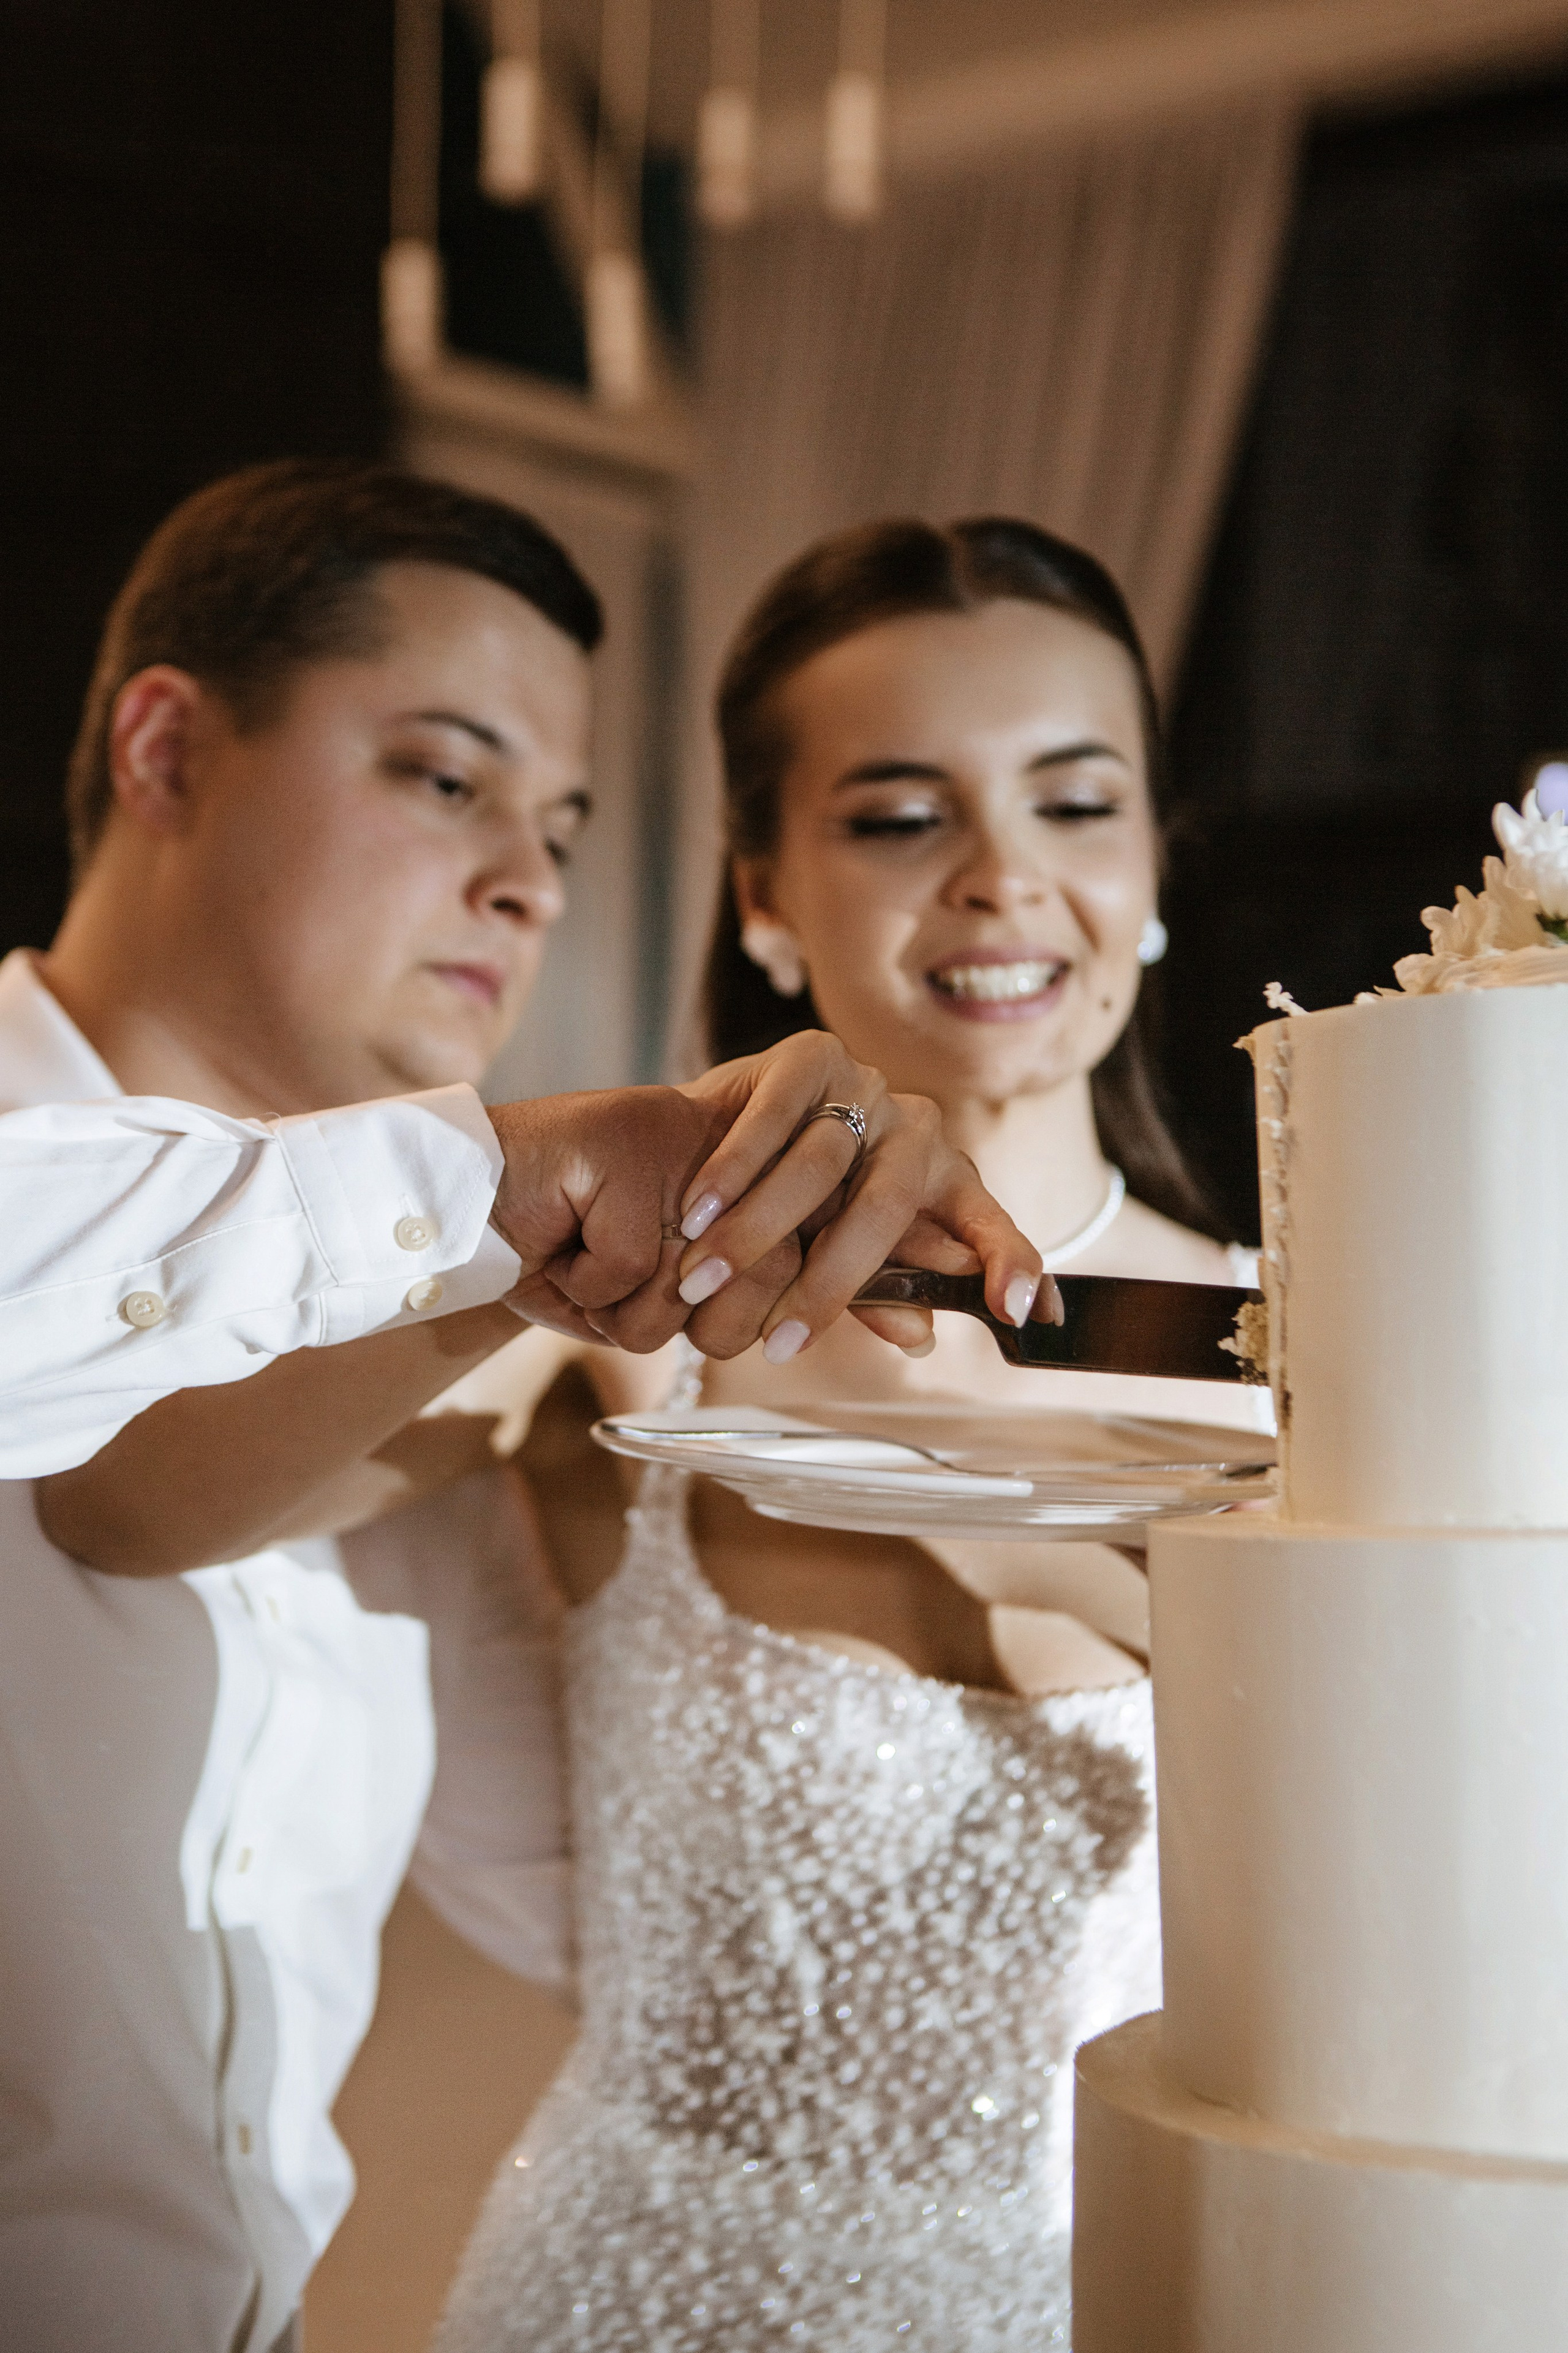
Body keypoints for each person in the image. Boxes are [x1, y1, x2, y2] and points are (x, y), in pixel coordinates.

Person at [0, 468, 1046, 2353]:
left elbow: (654, 1925)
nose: (533, 877)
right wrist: (500, 1192)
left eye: (560, 820)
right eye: (446, 774)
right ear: (166, 748)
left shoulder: (455, 1401)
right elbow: (90, 1467)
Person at [437, 518, 1274, 2351]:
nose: (1001, 880)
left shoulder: (1318, 1358)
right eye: (902, 816)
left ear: (1151, 865)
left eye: (1074, 803)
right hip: (625, 2305)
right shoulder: (612, 1360)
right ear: (759, 885)